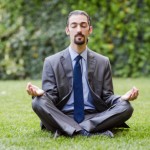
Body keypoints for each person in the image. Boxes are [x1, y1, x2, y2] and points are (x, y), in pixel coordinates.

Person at [26, 10, 139, 138]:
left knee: (126, 107)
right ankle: (89, 131)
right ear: (67, 30)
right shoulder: (51, 62)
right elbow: (52, 98)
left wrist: (121, 99)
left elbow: (107, 97)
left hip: (95, 115)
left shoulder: (103, 62)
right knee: (37, 102)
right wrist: (41, 95)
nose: (79, 29)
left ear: (90, 30)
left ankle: (70, 130)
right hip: (63, 115)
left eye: (83, 25)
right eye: (74, 25)